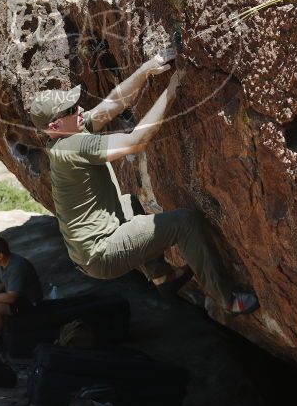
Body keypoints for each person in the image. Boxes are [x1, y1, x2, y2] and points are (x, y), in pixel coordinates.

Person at [28, 47, 258, 315]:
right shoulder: (74, 146)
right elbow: (135, 141)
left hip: (88, 253)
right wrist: (172, 89)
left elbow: (114, 102)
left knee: (129, 203)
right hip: (102, 253)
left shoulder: (66, 135)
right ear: (54, 126)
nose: (79, 108)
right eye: (70, 109)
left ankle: (162, 277)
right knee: (186, 222)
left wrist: (149, 67)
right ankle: (227, 299)